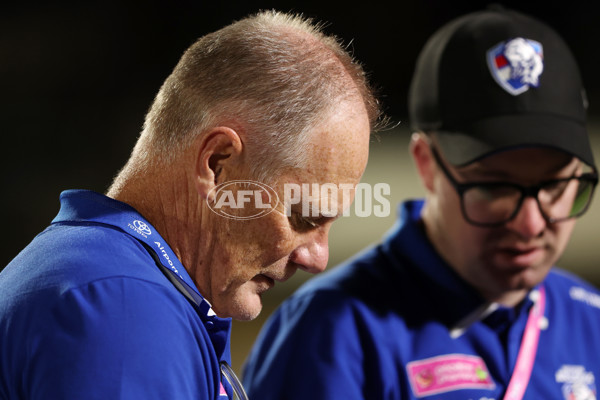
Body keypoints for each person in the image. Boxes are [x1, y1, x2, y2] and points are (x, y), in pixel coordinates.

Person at [0, 10, 382, 400]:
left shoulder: (108, 280)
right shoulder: (125, 307)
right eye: (304, 216)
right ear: (217, 165)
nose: (318, 258)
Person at [243, 6, 600, 400]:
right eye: (497, 187)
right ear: (427, 164)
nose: (531, 224)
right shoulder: (336, 331)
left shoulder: (591, 320)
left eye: (554, 186)